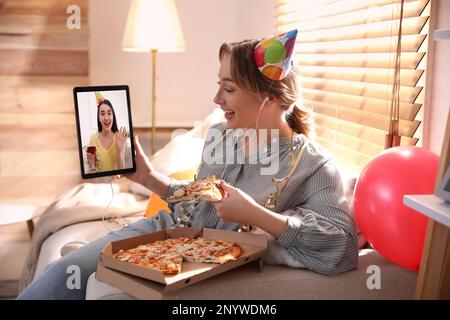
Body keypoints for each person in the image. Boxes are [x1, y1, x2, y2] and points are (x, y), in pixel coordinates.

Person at [17, 31, 358, 300]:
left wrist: (256, 215)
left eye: (228, 88)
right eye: (218, 85)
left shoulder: (314, 165)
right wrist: (149, 178)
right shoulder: (221, 135)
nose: (216, 99)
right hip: (164, 230)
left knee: (76, 278)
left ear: (269, 98)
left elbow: (342, 249)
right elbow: (199, 201)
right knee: (64, 273)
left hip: (204, 255)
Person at [86, 98, 129, 173]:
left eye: (109, 113)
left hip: (116, 183)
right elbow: (92, 171)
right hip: (99, 183)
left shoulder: (120, 138)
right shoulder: (93, 139)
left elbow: (122, 172)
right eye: (102, 114)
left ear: (113, 116)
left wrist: (119, 150)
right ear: (98, 118)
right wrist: (91, 164)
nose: (106, 118)